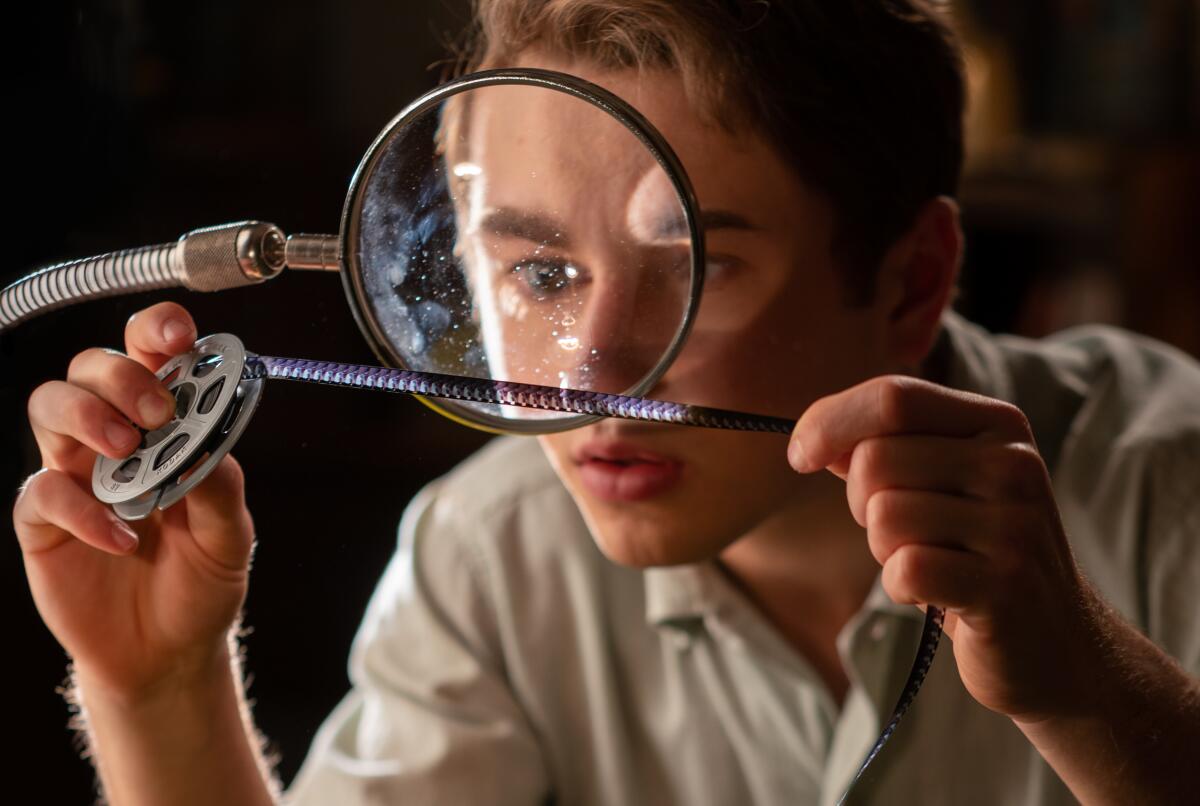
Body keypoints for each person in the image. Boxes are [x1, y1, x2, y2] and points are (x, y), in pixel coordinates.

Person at [12, 1, 1200, 804]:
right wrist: (158, 691)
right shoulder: (489, 552)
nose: (588, 378)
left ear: (912, 283)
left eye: (698, 265)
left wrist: (1092, 689)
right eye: (538, 273)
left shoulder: (1167, 482)